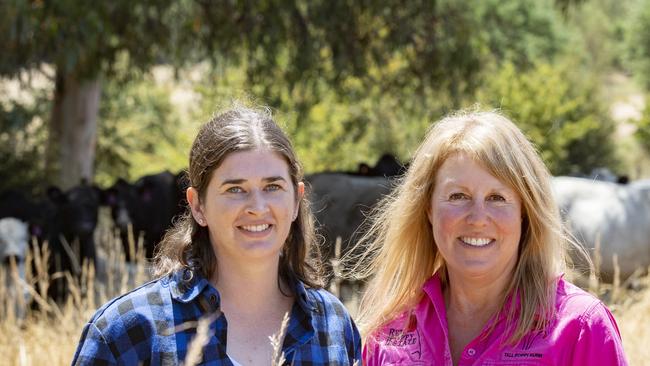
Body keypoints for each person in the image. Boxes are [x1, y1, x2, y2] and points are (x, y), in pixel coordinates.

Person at [72, 105, 361, 365]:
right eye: (235, 190)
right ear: (198, 206)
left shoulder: (333, 325)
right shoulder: (127, 332)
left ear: (297, 200)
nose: (257, 207)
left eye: (272, 187)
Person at [354, 110, 628, 365]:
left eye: (497, 198)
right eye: (458, 196)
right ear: (428, 209)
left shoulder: (581, 328)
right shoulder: (391, 328)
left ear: (525, 211)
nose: (478, 218)